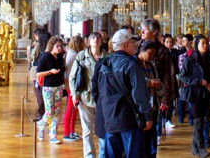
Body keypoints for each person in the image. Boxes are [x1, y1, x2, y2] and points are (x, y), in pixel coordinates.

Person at [92, 29, 154, 158]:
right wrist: (147, 116)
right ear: (126, 45)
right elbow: (140, 94)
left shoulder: (104, 63)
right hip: (128, 119)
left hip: (109, 119)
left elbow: (96, 91)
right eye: (133, 42)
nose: (135, 46)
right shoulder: (131, 65)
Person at [139, 18, 176, 154]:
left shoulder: (163, 51)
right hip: (138, 95)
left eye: (145, 29)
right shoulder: (137, 46)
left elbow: (168, 76)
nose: (141, 31)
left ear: (154, 32)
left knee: (152, 131)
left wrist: (166, 99)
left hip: (155, 96)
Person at [70, 32, 106, 158]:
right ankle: (89, 155)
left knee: (103, 129)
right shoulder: (82, 56)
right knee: (87, 130)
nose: (95, 40)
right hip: (85, 97)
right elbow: (72, 77)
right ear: (89, 41)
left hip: (103, 98)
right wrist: (74, 94)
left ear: (101, 41)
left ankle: (103, 154)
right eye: (93, 38)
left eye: (98, 38)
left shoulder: (107, 57)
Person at [180, 35, 210, 158]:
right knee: (198, 121)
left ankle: (195, 147)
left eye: (206, 43)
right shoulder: (189, 59)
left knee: (203, 120)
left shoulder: (209, 57)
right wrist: (199, 81)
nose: (205, 45)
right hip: (194, 94)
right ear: (197, 45)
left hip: (206, 93)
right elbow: (183, 77)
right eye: (202, 44)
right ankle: (201, 148)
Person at [36, 36, 67, 144]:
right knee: (49, 111)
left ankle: (53, 134)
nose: (59, 48)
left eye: (60, 46)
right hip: (48, 87)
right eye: (57, 46)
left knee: (57, 111)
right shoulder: (45, 56)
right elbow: (38, 73)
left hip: (59, 86)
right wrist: (50, 72)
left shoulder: (60, 57)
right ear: (52, 46)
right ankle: (41, 125)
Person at [138, 40, 165, 157]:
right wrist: (149, 83)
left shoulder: (151, 66)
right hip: (140, 109)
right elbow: (134, 83)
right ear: (142, 50)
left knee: (152, 140)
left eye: (153, 54)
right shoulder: (134, 65)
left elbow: (160, 87)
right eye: (150, 53)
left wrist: (159, 86)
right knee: (141, 142)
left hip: (153, 106)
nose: (152, 56)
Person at [64, 34, 86, 142]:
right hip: (71, 85)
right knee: (70, 109)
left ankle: (71, 131)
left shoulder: (73, 53)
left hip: (73, 85)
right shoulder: (73, 55)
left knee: (74, 109)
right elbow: (69, 73)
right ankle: (67, 132)